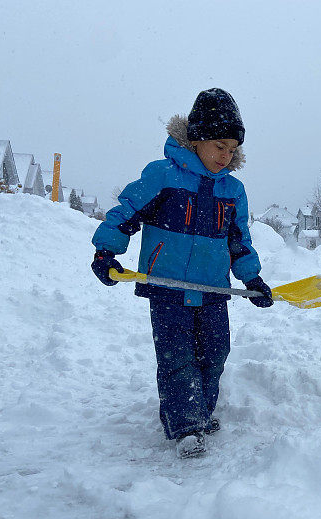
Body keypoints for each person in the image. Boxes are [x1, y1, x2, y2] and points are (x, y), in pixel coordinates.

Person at [90, 88, 273, 458]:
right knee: (177, 355)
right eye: (219, 145)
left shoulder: (233, 191)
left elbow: (239, 241)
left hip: (212, 289)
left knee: (215, 352)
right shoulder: (162, 176)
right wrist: (105, 251)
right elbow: (125, 212)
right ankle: (185, 424)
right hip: (167, 288)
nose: (226, 155)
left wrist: (251, 279)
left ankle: (201, 413)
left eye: (232, 148)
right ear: (196, 139)